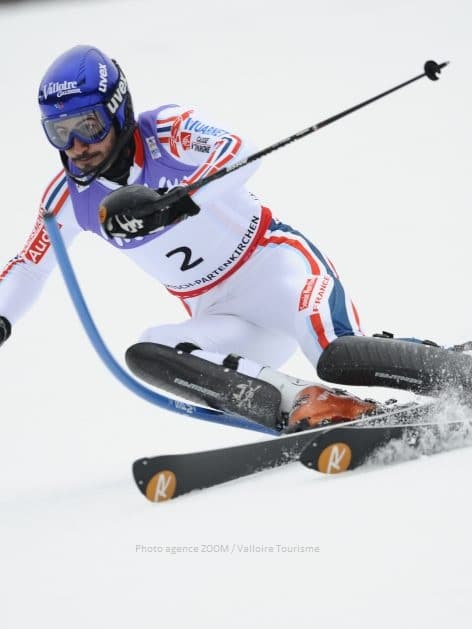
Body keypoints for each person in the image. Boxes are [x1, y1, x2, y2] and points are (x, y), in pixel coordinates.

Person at [0, 44, 377, 431]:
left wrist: (179, 202)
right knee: (150, 350)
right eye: (59, 132)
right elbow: (29, 267)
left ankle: (436, 366)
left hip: (279, 274)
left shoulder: (165, 131)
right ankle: (306, 400)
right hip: (223, 318)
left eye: (89, 125)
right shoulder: (66, 199)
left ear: (118, 110)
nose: (77, 146)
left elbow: (239, 151)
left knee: (337, 356)